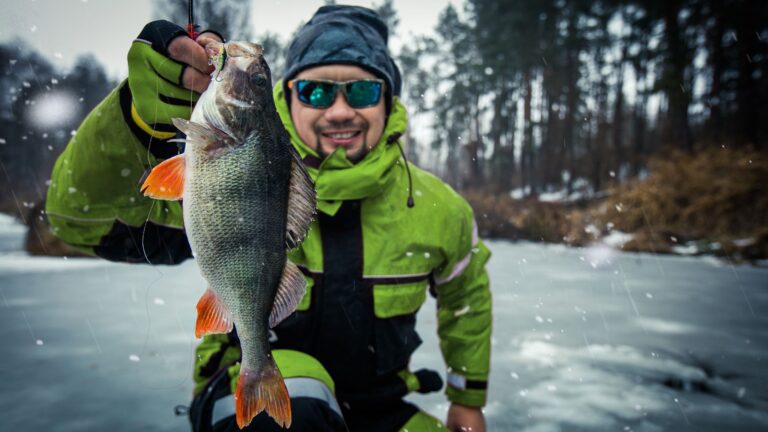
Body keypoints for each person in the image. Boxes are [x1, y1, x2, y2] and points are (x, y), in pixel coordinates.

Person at [46, 5, 492, 432]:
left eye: (362, 90)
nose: (339, 111)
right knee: (298, 406)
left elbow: (466, 298)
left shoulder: (441, 209)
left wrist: (467, 399)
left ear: (388, 100)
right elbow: (77, 220)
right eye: (316, 91)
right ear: (287, 98)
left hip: (381, 409)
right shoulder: (225, 171)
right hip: (256, 389)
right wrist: (134, 120)